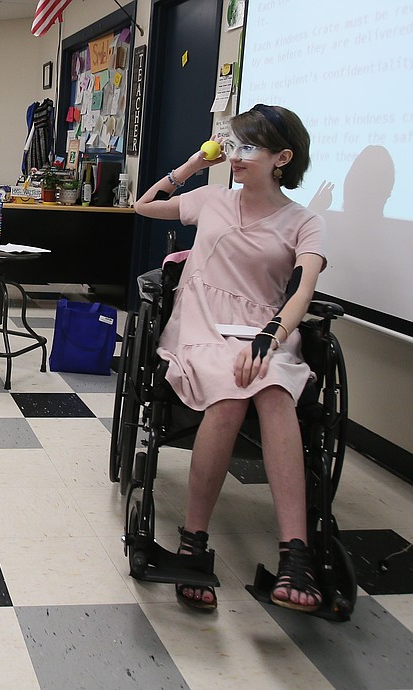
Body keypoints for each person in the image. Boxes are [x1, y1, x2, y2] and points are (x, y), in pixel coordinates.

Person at [132, 104, 325, 614]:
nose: (235, 156)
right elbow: (143, 205)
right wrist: (197, 162)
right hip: (201, 321)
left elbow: (303, 289)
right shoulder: (212, 198)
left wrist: (271, 337)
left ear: (282, 158)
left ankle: (295, 555)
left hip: (266, 327)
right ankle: (193, 540)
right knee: (229, 394)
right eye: (232, 145)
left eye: (248, 147)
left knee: (276, 388)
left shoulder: (303, 222)